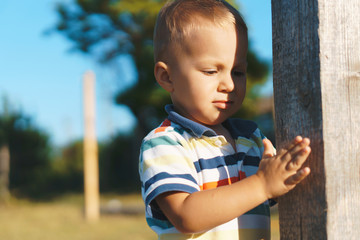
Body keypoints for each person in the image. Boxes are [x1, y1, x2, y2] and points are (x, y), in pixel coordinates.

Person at [139, 0, 311, 239]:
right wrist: (262, 184)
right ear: (167, 77)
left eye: (238, 72)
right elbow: (185, 215)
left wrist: (281, 178)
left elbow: (265, 195)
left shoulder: (251, 139)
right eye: (211, 71)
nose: (229, 84)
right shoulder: (165, 144)